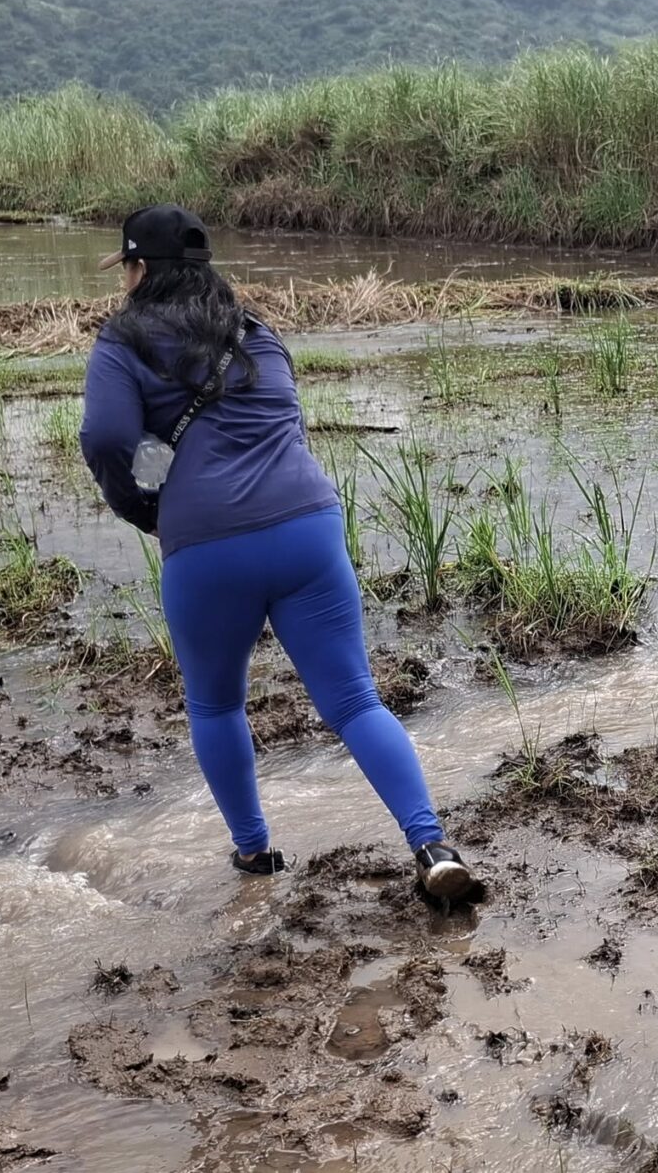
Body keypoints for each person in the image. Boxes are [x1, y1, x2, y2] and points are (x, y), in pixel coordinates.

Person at [78, 204, 477, 901]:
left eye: (127, 267)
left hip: (207, 548)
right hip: (307, 529)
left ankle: (255, 854)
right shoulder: (254, 331)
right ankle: (431, 844)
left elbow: (107, 437)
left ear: (139, 270)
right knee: (355, 700)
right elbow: (284, 418)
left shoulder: (122, 342)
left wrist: (140, 507)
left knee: (216, 706)